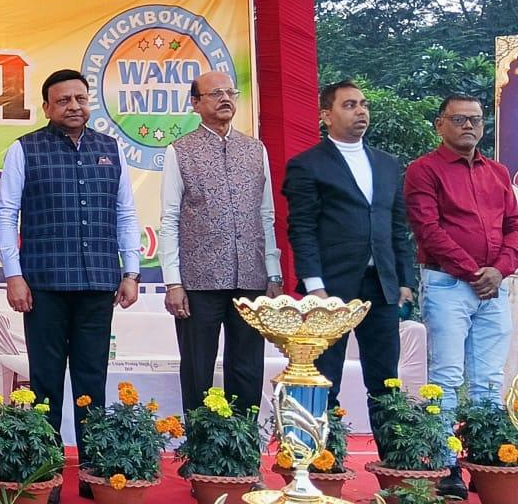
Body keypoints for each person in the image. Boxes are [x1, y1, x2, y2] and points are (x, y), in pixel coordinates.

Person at [0, 68, 141, 502]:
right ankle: (47, 476)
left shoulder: (109, 149)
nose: (74, 106)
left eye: (80, 98)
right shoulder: (24, 149)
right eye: (63, 100)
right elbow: (6, 214)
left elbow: (125, 213)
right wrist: (13, 275)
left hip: (99, 282)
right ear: (47, 107)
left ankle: (94, 475)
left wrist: (131, 271)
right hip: (44, 285)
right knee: (45, 383)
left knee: (92, 380)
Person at [283, 80, 417, 433]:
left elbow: (397, 227)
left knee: (386, 380)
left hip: (381, 286)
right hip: (330, 288)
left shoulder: (387, 164)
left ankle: (394, 458)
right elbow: (302, 228)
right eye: (349, 105)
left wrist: (405, 280)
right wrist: (314, 286)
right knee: (325, 377)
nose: (361, 111)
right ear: (326, 116)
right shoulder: (307, 165)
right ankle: (324, 455)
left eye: (363, 104)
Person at [403, 95, 516, 499]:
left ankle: (486, 458)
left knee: (489, 379)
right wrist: (475, 272)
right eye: (459, 119)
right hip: (447, 285)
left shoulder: (498, 173)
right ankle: (446, 464)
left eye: (476, 119)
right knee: (447, 377)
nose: (469, 126)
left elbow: (514, 226)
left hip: (494, 287)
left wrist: (499, 270)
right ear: (440, 125)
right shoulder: (424, 170)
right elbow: (428, 230)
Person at [158, 71, 282, 418]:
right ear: (195, 104)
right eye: (215, 94)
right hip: (199, 280)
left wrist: (273, 273)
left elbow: (266, 214)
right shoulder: (180, 151)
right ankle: (202, 441)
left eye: (230, 92)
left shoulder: (255, 149)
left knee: (247, 367)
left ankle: (243, 441)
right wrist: (173, 282)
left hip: (251, 277)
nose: (225, 99)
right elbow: (170, 218)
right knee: (198, 368)